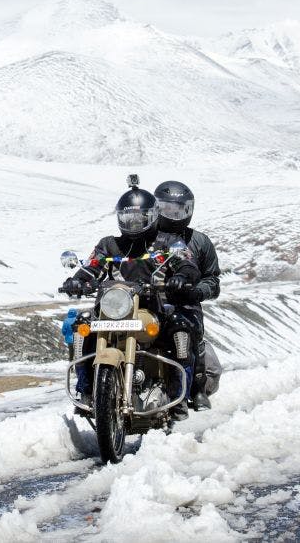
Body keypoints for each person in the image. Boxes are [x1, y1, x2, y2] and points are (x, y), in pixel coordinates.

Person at [60, 177, 201, 421]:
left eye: (139, 218)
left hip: (151, 308)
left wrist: (182, 275)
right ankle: (84, 391)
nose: (133, 223)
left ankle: (179, 397)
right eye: (127, 218)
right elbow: (92, 265)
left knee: (181, 329)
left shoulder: (167, 242)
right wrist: (77, 280)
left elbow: (186, 262)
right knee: (80, 327)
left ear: (152, 216)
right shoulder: (109, 244)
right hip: (111, 310)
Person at [153, 180, 221, 411]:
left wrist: (195, 291)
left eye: (179, 209)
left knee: (190, 333)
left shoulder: (200, 241)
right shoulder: (146, 239)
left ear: (189, 210)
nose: (173, 215)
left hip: (184, 304)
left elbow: (213, 280)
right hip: (149, 302)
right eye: (166, 209)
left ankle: (197, 387)